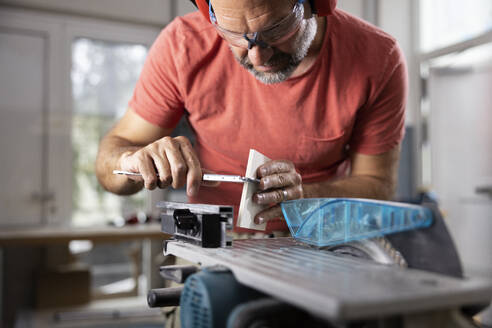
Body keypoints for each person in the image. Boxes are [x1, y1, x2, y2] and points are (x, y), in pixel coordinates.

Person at [96, 0, 407, 234]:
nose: (257, 56)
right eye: (233, 35)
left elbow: (378, 185)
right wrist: (132, 162)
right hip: (209, 240)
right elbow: (109, 166)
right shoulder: (183, 45)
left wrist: (306, 197)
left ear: (315, 4)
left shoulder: (377, 59)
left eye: (275, 30)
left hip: (321, 241)